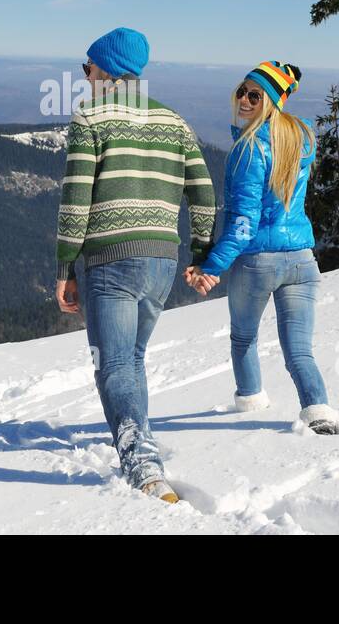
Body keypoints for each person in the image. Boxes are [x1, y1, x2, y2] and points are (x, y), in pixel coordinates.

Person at [55, 27, 216, 503]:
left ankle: (144, 468)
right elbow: (204, 193)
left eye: (87, 69)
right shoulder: (175, 121)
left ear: (106, 70)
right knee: (132, 359)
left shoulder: (90, 117)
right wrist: (201, 251)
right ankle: (139, 440)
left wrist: (64, 267)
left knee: (116, 365)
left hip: (109, 260)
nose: (85, 78)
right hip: (162, 262)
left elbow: (75, 199)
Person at [184, 61, 339, 435]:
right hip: (302, 260)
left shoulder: (248, 149)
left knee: (244, 337)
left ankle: (250, 401)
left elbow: (243, 224)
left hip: (258, 262)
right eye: (242, 90)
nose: (244, 99)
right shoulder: (301, 140)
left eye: (255, 95)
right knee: (299, 349)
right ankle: (318, 411)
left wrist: (211, 267)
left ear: (271, 102)